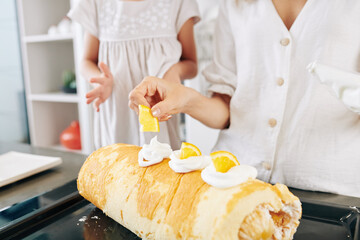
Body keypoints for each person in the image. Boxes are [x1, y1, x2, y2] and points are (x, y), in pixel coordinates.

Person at [129, 0, 360, 197]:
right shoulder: (235, 4)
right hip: (234, 180)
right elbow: (227, 108)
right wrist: (186, 99)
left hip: (331, 192)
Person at [67, 0, 200, 149]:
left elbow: (191, 64)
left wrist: (174, 71)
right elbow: (86, 61)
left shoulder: (180, 3)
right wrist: (100, 81)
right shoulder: (96, 3)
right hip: (116, 118)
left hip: (160, 118)